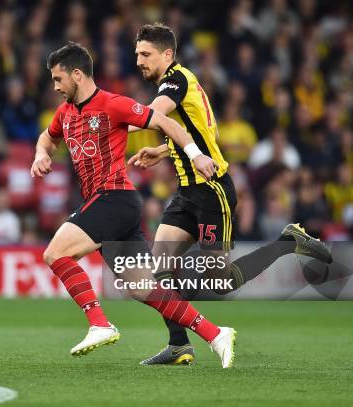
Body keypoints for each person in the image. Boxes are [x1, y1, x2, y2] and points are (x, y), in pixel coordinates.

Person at [128, 23, 332, 365]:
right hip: (185, 192)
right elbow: (207, 129)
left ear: (167, 54)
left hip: (211, 192)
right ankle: (179, 345)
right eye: (136, 54)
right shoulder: (184, 82)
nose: (139, 61)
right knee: (159, 268)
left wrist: (110, 123)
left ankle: (287, 242)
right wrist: (165, 152)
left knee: (220, 281)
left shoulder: (175, 80)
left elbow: (152, 116)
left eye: (145, 54)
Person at [31, 41, 236, 368]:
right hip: (112, 205)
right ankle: (215, 334)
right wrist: (42, 154)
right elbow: (48, 136)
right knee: (143, 288)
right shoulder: (65, 113)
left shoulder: (112, 105)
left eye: (59, 79)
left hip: (114, 198)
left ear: (78, 74)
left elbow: (168, 123)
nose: (55, 87)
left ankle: (99, 323)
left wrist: (196, 155)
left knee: (55, 253)